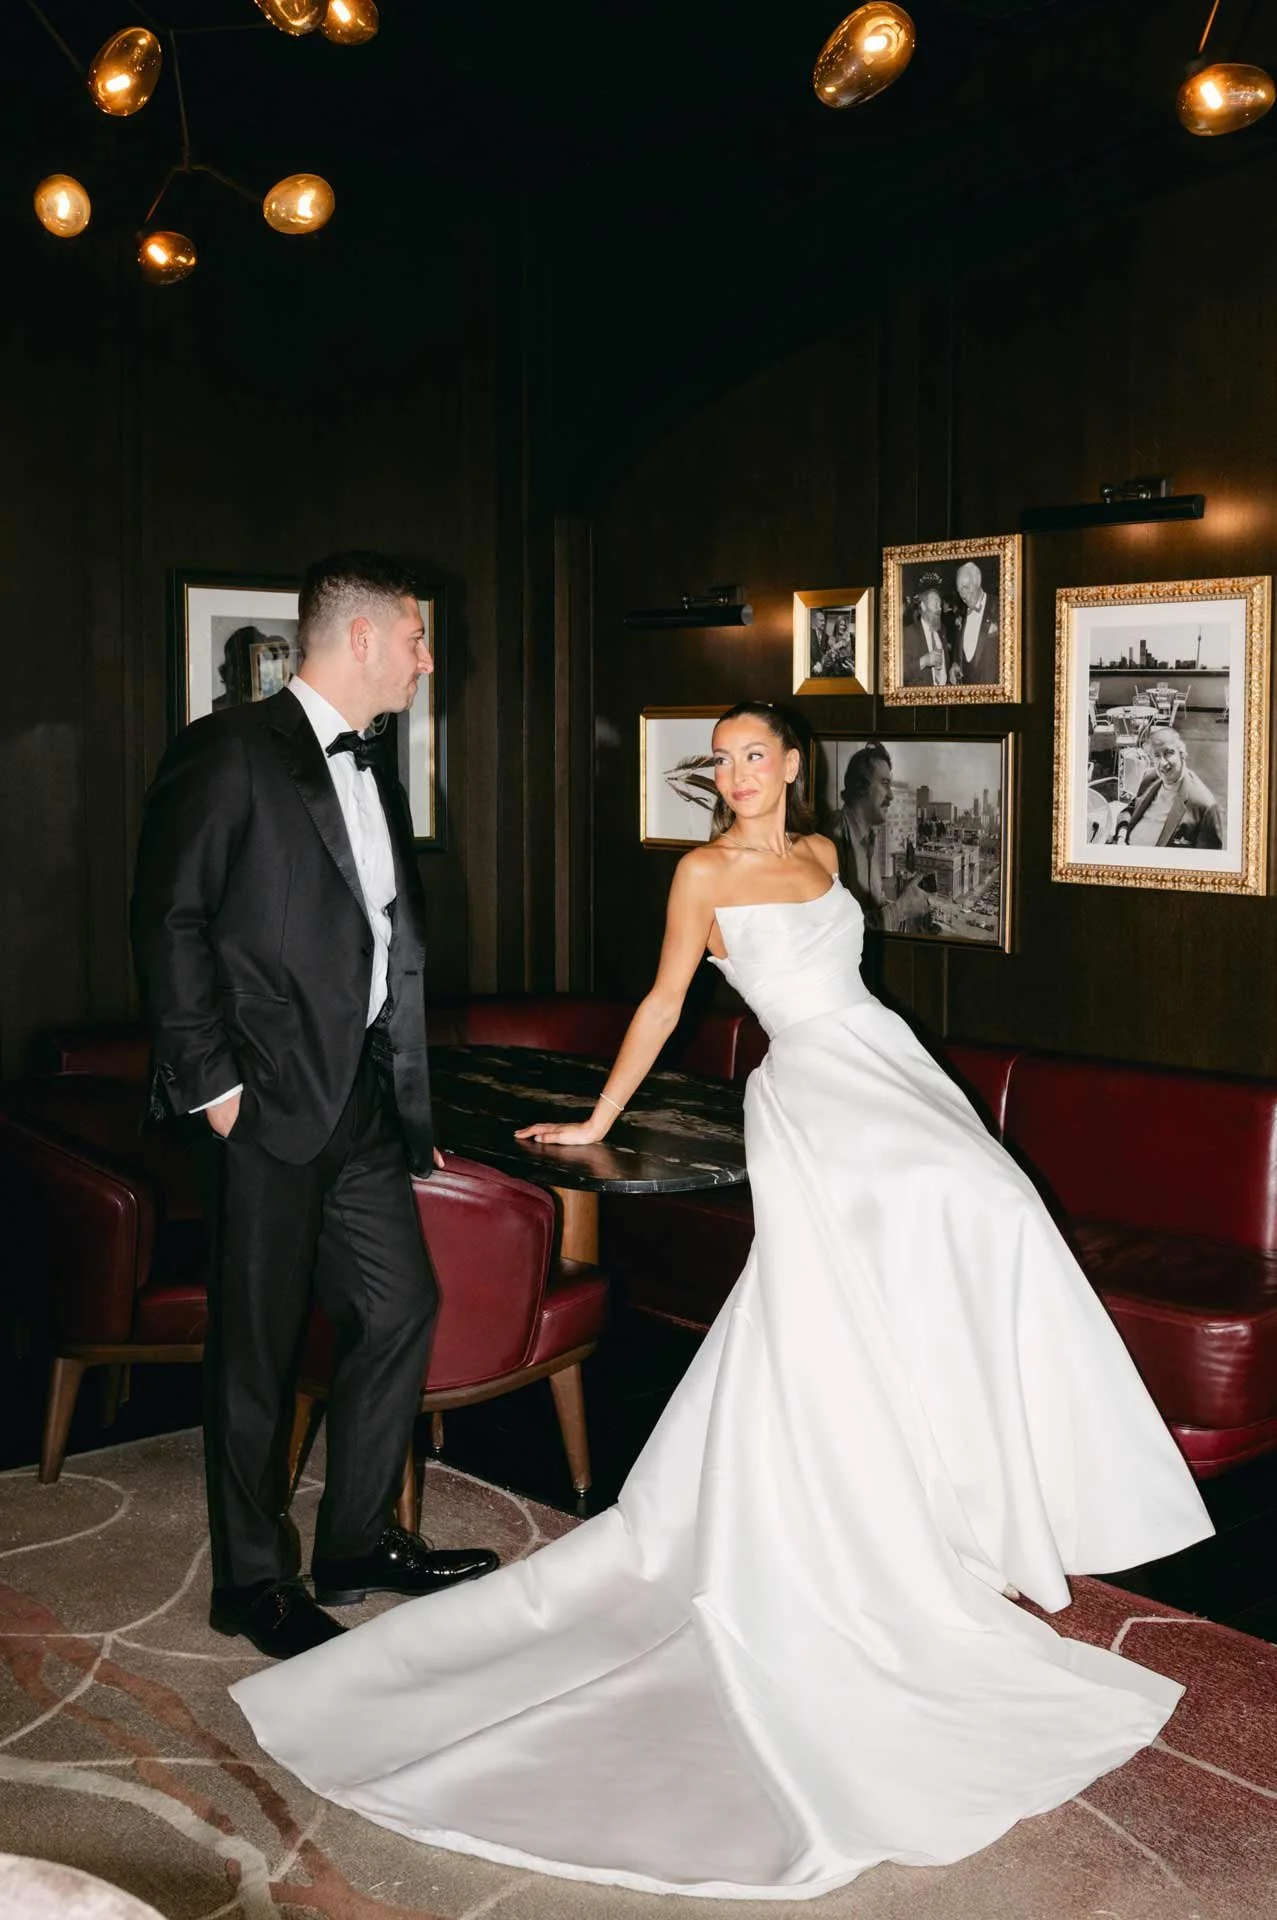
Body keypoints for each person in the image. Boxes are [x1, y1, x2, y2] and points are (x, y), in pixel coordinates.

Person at [230, 698, 1212, 1901]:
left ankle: (959, 1494)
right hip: (811, 1092)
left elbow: (850, 976)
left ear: (793, 766)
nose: (741, 774)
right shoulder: (700, 872)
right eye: (725, 760)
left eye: (759, 755)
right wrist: (596, 1118)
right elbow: (663, 1004)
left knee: (991, 1224)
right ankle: (862, 1529)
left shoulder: (823, 853)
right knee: (845, 1299)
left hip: (887, 1064)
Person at [131, 551, 498, 1663]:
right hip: (266, 1106)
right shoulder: (228, 750)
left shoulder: (371, 764)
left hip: (366, 1110)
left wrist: (405, 1086)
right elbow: (169, 921)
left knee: (398, 1309)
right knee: (255, 1347)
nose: (429, 660)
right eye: (417, 640)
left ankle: (353, 1546)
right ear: (362, 640)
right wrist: (218, 1090)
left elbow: (380, 939)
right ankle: (250, 1582)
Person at [828, 740, 933, 929]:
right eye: (884, 784)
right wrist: (900, 909)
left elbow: (870, 906)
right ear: (861, 786)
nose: (891, 796)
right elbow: (840, 931)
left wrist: (903, 901)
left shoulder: (869, 840)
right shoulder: (832, 838)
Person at [1116, 724, 1222, 848]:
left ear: (1182, 754)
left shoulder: (1204, 805)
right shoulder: (1150, 778)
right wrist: (1121, 835)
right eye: (1156, 755)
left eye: (1168, 753)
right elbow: (1131, 809)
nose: (1163, 763)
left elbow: (1208, 859)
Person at [949, 559, 999, 685]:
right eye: (960, 590)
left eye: (966, 587)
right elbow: (959, 650)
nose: (963, 595)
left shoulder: (1001, 606)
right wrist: (955, 663)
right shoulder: (961, 615)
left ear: (978, 580)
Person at [901, 584, 949, 685]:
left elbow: (946, 665)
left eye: (939, 604)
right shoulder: (909, 632)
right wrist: (923, 661)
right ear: (923, 606)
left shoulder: (942, 631)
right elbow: (901, 672)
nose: (939, 608)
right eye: (935, 604)